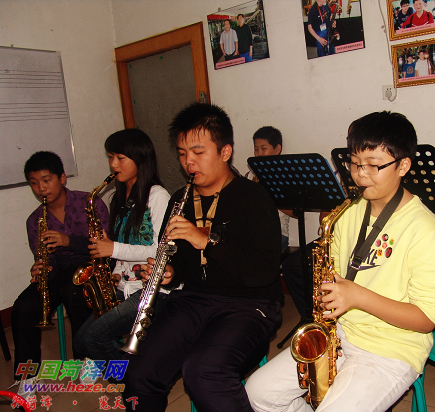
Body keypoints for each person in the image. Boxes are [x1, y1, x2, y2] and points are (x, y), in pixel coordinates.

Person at [246, 111, 435, 412]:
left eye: (373, 165)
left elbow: (426, 319)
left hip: (392, 349)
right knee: (258, 392)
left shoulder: (424, 230)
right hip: (341, 333)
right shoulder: (347, 212)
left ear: (403, 166)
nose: (360, 175)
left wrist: (358, 296)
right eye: (355, 163)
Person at [121, 102, 283, 412]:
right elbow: (181, 264)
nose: (189, 162)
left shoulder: (255, 198)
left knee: (204, 373)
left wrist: (207, 240)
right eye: (182, 153)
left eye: (198, 152)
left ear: (225, 152)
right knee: (138, 372)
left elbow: (263, 272)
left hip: (250, 304)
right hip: (194, 300)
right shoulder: (180, 199)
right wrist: (169, 272)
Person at [11, 151, 108, 395]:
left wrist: (68, 241)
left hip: (92, 267)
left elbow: (106, 246)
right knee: (24, 306)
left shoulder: (90, 203)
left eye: (46, 180)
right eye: (34, 183)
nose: (41, 189)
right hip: (59, 274)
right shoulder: (35, 220)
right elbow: (47, 258)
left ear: (62, 178)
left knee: (75, 290)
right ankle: (27, 375)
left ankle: (86, 358)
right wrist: (41, 267)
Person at [73, 129, 171, 363]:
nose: (113, 164)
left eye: (120, 157)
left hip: (153, 289)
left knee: (94, 339)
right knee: (80, 341)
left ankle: (131, 376)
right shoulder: (117, 198)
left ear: (140, 159)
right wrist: (116, 272)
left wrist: (113, 249)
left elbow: (162, 251)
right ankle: (129, 368)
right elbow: (124, 246)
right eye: (110, 157)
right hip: (126, 284)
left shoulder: (158, 196)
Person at [245, 126, 291, 252]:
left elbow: (295, 212)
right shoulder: (250, 175)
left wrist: (269, 196)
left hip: (276, 234)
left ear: (277, 149)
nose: (259, 153)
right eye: (256, 149)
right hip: (251, 233)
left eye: (264, 148)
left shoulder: (284, 176)